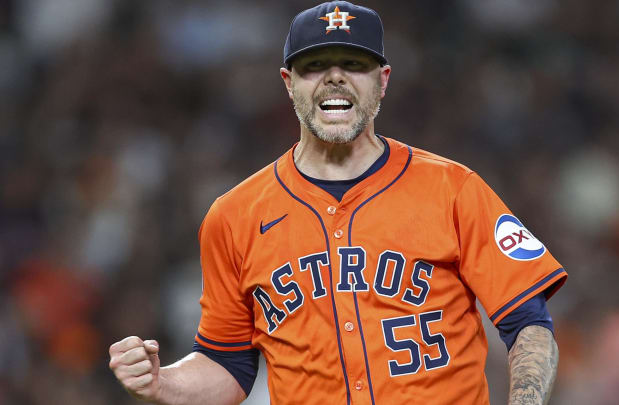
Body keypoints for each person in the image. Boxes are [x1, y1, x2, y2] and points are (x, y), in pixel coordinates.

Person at [109, 2, 567, 404]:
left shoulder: (453, 189)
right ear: (289, 83)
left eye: (353, 62)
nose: (335, 77)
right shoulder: (233, 217)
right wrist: (161, 383)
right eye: (315, 65)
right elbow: (229, 365)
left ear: (382, 81)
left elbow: (529, 322)